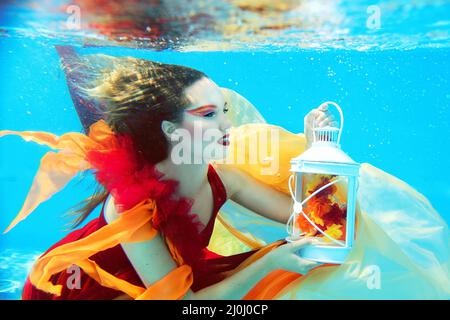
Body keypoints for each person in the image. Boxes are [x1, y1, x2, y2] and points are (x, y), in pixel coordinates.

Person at [1, 51, 448, 300]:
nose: (228, 127)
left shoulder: (222, 176)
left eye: (225, 111)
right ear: (171, 130)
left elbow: (307, 225)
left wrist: (319, 153)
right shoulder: (130, 206)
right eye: (210, 114)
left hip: (183, 286)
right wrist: (271, 263)